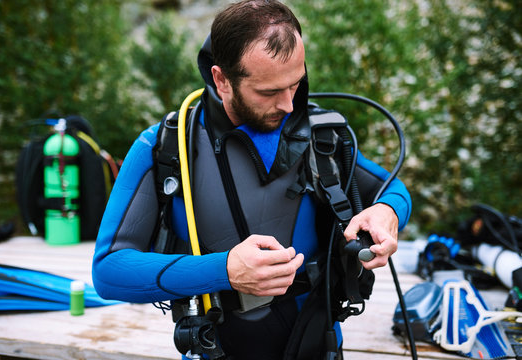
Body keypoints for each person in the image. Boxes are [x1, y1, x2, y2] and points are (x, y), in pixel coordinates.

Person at [92, 1, 411, 359]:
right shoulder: (166, 146)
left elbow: (392, 188)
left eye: (295, 84)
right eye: (269, 92)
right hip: (217, 349)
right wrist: (224, 270)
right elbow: (109, 271)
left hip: (318, 343)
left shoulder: (320, 136)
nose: (289, 105)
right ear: (221, 80)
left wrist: (387, 212)